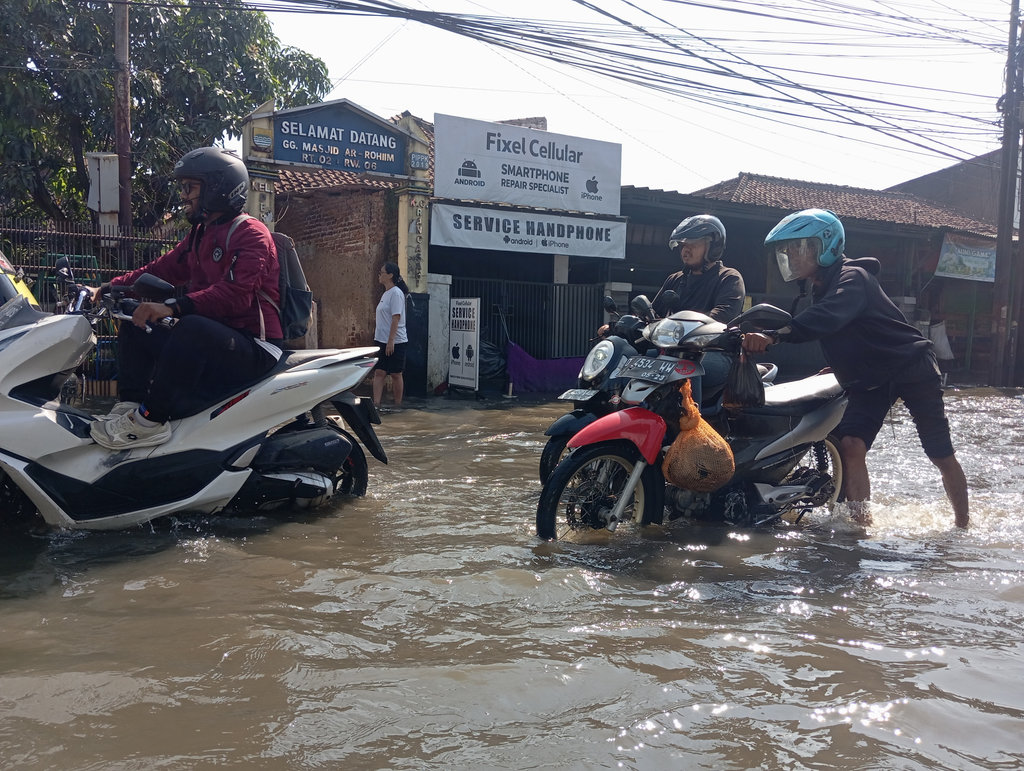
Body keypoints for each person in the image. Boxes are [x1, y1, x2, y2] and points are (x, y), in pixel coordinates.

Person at [741, 208, 969, 528]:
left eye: (798, 248)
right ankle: (862, 526)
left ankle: (962, 526)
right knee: (851, 445)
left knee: (939, 452)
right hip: (870, 378)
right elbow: (846, 334)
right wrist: (835, 368)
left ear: (825, 246)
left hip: (911, 367)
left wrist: (775, 336)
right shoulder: (820, 287)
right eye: (787, 250)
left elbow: (831, 317)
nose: (791, 256)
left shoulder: (853, 277)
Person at [89, 147, 282, 450]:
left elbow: (236, 295)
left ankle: (150, 420)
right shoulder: (199, 235)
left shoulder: (252, 234)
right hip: (214, 342)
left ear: (217, 187)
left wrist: (171, 306)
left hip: (254, 348)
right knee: (133, 318)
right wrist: (109, 287)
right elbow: (161, 269)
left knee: (190, 325)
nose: (184, 196)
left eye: (190, 188)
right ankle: (131, 406)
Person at [652, 214, 746, 406]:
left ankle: (691, 428)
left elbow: (723, 315)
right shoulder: (675, 279)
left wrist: (682, 329)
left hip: (716, 354)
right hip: (673, 351)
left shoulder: (729, 278)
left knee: (686, 364)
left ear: (713, 246)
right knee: (630, 355)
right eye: (683, 245)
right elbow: (653, 314)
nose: (685, 250)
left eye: (692, 244)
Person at [372, 261, 409, 408]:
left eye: (382, 272)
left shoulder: (396, 293)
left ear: (390, 275)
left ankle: (398, 405)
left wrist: (391, 341)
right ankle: (376, 404)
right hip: (381, 339)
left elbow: (396, 317)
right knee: (379, 372)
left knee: (395, 374)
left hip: (396, 341)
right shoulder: (385, 294)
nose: (379, 275)